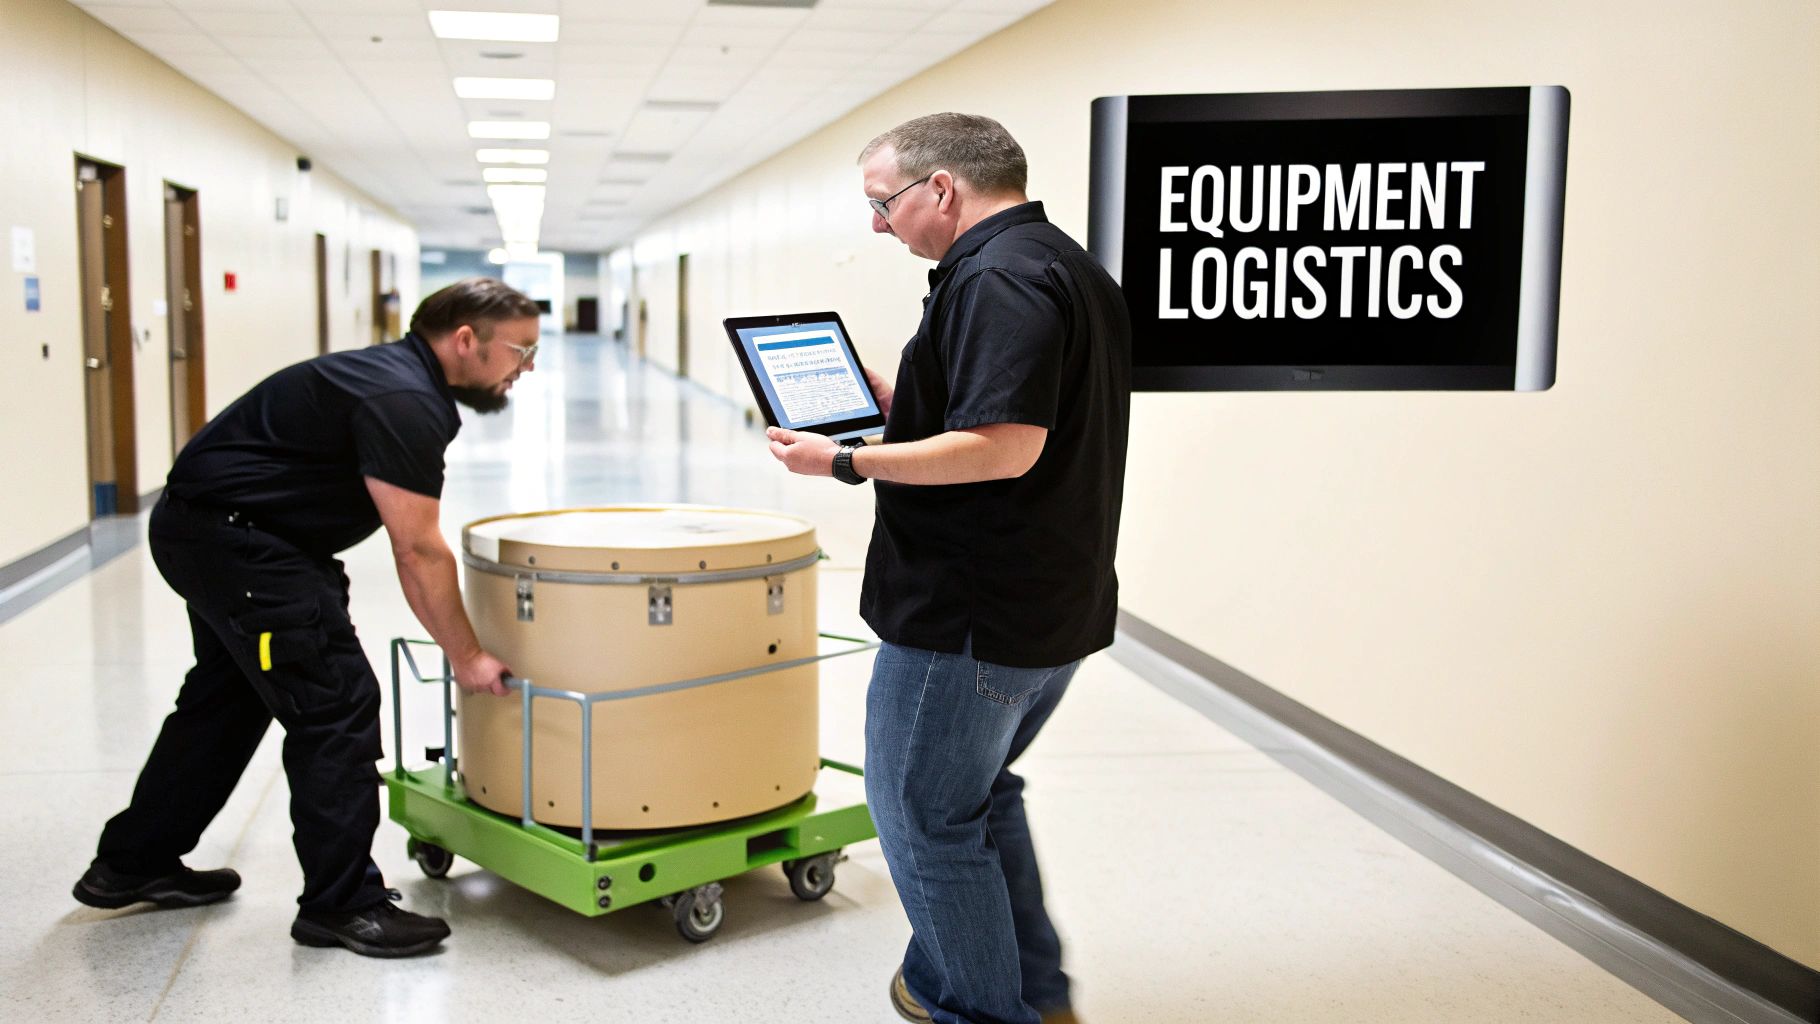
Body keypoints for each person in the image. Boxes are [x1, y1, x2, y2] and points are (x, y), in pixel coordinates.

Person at [766, 113, 1131, 1024]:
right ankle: (1038, 999)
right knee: (979, 800)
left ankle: (975, 1008)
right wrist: (912, 402)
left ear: (941, 190)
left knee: (926, 823)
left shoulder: (1000, 279)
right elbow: (1019, 412)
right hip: (1050, 610)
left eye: (884, 204)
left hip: (970, 623)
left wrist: (844, 460)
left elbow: (1002, 447)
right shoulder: (1061, 263)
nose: (878, 227)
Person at [72, 277, 541, 958]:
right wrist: (467, 656)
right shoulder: (403, 398)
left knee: (227, 698)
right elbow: (417, 549)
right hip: (242, 546)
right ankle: (342, 905)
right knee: (336, 702)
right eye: (521, 352)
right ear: (466, 340)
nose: (527, 370)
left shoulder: (394, 376)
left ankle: (132, 862)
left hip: (210, 531)